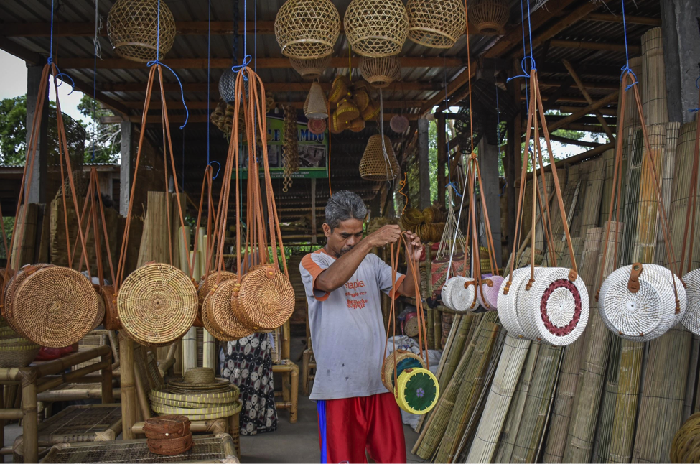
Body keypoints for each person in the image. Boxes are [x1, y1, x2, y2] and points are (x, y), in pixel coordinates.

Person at [299, 190, 423, 464]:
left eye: (358, 234)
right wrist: (368, 242)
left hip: (380, 381)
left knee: (391, 459)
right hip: (338, 387)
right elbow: (329, 282)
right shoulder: (312, 262)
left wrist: (413, 260)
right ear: (326, 229)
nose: (352, 241)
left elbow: (408, 290)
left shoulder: (372, 263)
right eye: (345, 236)